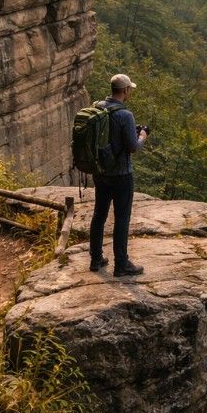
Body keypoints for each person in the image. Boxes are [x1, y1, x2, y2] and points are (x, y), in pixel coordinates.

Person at [88, 73, 148, 276]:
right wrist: (142, 136)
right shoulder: (125, 115)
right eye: (129, 89)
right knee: (122, 218)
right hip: (121, 174)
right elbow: (132, 146)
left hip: (100, 171)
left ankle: (96, 259)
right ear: (125, 90)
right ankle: (121, 264)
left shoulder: (97, 108)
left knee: (99, 214)